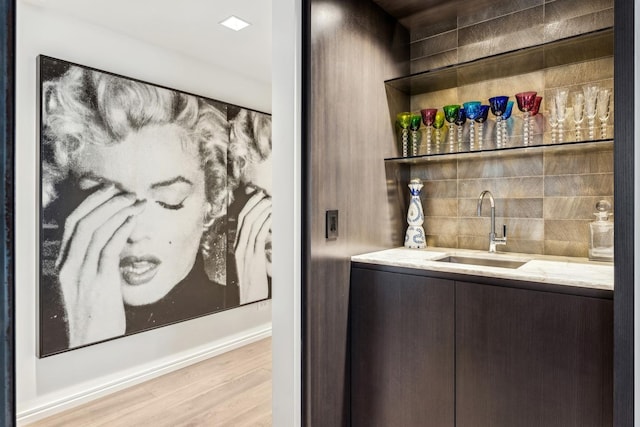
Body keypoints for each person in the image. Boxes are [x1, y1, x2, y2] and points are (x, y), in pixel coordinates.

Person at [39, 59, 271, 355]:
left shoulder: (237, 308)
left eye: (168, 200)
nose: (135, 232)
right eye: (103, 198)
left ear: (210, 202)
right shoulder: (36, 325)